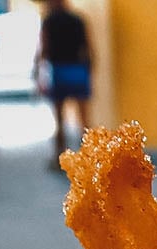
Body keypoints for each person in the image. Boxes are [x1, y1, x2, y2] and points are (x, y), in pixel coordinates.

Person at [34, 0, 92, 168]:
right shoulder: (78, 19)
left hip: (59, 70)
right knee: (84, 119)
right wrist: (89, 71)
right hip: (78, 70)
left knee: (59, 118)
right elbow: (88, 47)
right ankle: (89, 157)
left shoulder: (49, 21)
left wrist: (37, 69)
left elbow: (44, 47)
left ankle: (60, 157)